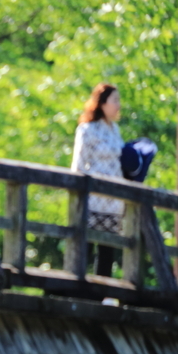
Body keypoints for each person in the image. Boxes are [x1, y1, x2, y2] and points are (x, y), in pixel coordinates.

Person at [71, 82, 124, 277]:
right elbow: (78, 164)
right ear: (102, 103)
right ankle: (78, 289)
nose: (118, 105)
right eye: (115, 100)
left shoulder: (115, 130)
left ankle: (104, 295)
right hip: (92, 200)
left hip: (113, 202)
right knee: (84, 246)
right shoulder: (87, 130)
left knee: (107, 250)